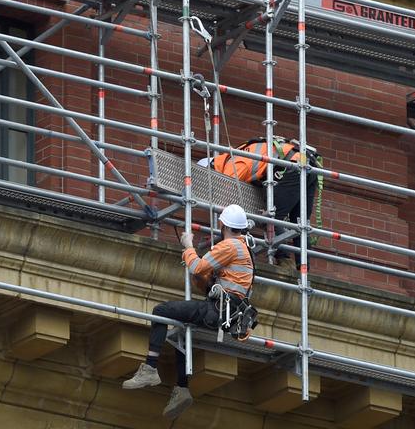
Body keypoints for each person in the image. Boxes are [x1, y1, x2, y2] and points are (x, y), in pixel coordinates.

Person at [121, 205, 256, 419]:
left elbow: (197, 267)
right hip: (226, 314)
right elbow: (215, 280)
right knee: (183, 332)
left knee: (161, 310)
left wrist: (188, 246)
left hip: (217, 311)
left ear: (223, 225)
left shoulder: (230, 245)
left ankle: (150, 368)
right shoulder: (244, 250)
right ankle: (182, 388)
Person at [212, 136, 322, 227]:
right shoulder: (240, 153)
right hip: (305, 165)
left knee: (272, 219)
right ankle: (301, 254)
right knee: (300, 225)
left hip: (292, 166)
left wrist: (224, 234)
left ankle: (282, 254)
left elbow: (227, 200)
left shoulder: (232, 164)